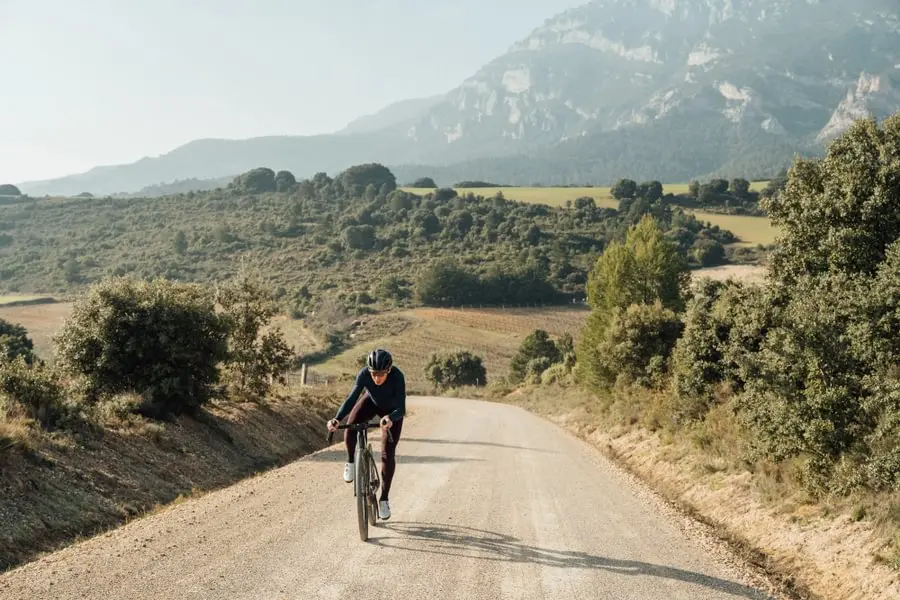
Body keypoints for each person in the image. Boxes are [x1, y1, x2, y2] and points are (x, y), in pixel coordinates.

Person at [327, 348, 405, 520]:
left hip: (392, 412)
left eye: (381, 374)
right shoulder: (363, 375)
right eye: (374, 374)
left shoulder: (398, 377)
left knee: (387, 454)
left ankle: (384, 499)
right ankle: (350, 461)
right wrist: (337, 418)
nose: (377, 378)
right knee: (351, 426)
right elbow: (352, 397)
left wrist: (390, 418)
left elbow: (401, 407)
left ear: (389, 370)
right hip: (371, 402)